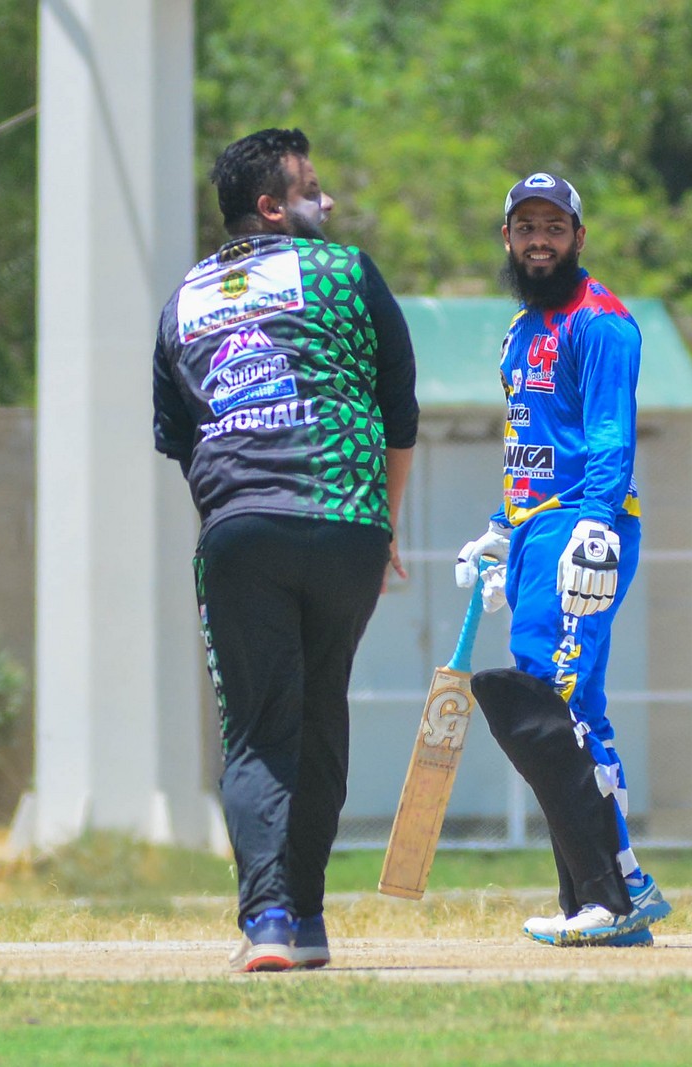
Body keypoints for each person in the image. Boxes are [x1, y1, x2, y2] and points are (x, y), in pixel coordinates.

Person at [152, 128, 418, 972]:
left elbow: (179, 437)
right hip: (348, 524)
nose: (327, 201)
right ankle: (305, 919)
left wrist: (236, 513)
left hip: (242, 530)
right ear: (270, 208)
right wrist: (386, 524)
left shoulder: (183, 299)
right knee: (319, 714)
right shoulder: (348, 273)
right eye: (311, 190)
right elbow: (399, 407)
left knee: (260, 728)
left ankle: (268, 919)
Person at [454, 172, 669, 947]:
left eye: (553, 227)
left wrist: (597, 527)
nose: (538, 241)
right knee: (567, 706)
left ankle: (611, 895)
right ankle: (611, 888)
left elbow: (609, 434)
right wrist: (499, 529)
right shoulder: (521, 329)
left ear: (579, 236)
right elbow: (532, 441)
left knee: (559, 701)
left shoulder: (600, 321)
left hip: (583, 525)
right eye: (526, 228)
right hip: (535, 530)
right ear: (507, 238)